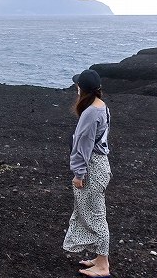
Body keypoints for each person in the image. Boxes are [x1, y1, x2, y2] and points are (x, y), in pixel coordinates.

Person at [63, 69, 112, 277]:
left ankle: (103, 266)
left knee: (96, 215)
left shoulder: (91, 112)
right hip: (101, 164)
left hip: (92, 168)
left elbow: (83, 145)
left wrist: (79, 174)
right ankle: (100, 259)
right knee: (94, 212)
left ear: (81, 89)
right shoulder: (102, 107)